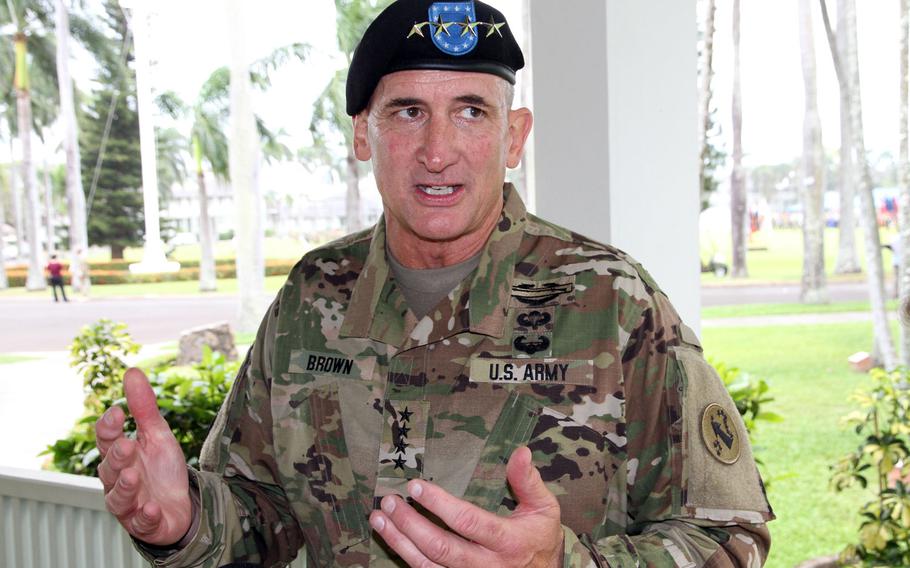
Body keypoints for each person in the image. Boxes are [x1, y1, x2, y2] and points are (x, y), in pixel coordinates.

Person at [95, 1, 774, 566]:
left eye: (472, 111)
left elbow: (728, 536)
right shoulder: (313, 297)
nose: (439, 150)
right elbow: (260, 513)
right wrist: (182, 519)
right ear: (365, 134)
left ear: (514, 137)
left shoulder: (610, 301)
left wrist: (561, 564)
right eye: (409, 112)